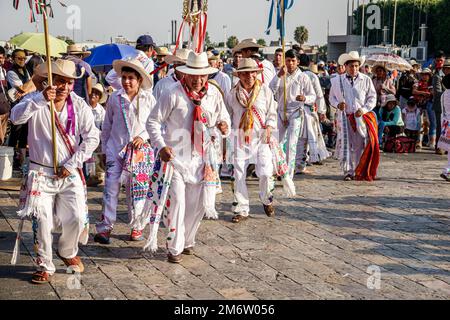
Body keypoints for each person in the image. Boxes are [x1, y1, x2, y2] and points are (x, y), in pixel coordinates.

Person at [10, 59, 99, 284]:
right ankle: (45, 263)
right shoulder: (35, 98)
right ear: (50, 82)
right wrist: (40, 99)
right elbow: (15, 117)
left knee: (77, 217)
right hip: (41, 172)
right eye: (60, 82)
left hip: (69, 171)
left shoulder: (78, 104)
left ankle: (68, 251)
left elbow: (92, 138)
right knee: (43, 221)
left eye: (69, 83)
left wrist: (72, 164)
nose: (64, 88)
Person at [146, 52, 230, 263]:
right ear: (185, 73)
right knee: (178, 201)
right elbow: (153, 122)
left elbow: (223, 117)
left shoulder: (214, 95)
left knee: (197, 205)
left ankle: (187, 240)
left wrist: (224, 127)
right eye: (193, 74)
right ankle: (174, 247)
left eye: (202, 75)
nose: (198, 79)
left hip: (203, 159)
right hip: (176, 158)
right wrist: (162, 146)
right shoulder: (172, 93)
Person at [94, 59, 156, 244]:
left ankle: (137, 226)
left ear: (139, 80)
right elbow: (107, 126)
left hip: (139, 152)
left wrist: (143, 137)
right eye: (124, 78)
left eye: (131, 78)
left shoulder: (148, 99)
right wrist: (104, 151)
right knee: (111, 188)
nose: (127, 82)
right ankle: (105, 228)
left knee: (136, 190)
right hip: (116, 149)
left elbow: (155, 125)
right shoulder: (114, 98)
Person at [225, 58, 277, 223]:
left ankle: (266, 198)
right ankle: (241, 208)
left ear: (257, 73)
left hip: (261, 138)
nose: (249, 76)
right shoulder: (232, 94)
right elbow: (226, 116)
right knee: (238, 173)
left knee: (266, 172)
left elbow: (272, 113)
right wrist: (225, 129)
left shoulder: (265, 91)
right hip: (240, 138)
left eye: (252, 72)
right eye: (245, 73)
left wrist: (269, 127)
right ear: (239, 75)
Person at [329, 51, 379, 181]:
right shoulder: (337, 81)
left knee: (359, 144)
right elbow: (331, 98)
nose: (354, 68)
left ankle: (358, 169)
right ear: (345, 66)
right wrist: (337, 104)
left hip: (360, 117)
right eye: (351, 66)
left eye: (356, 66)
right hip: (345, 117)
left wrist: (364, 109)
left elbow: (372, 98)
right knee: (346, 144)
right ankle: (347, 171)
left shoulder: (366, 80)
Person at [269, 49, 316, 177]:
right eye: (288, 60)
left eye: (293, 61)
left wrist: (305, 98)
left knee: (291, 144)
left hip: (295, 113)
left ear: (298, 62)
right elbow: (270, 90)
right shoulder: (280, 74)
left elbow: (313, 96)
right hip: (280, 112)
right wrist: (279, 75)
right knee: (275, 143)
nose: (290, 63)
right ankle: (277, 169)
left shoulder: (303, 77)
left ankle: (288, 175)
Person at [6, 49, 36, 169]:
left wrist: (28, 85)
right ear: (13, 59)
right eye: (19, 58)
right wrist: (33, 79)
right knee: (15, 132)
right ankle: (11, 159)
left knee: (24, 133)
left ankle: (22, 161)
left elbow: (29, 87)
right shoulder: (11, 72)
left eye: (24, 58)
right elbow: (22, 88)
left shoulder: (26, 71)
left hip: (25, 104)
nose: (22, 60)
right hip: (17, 107)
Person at [85, 83, 107, 186]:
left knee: (98, 156)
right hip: (86, 137)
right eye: (92, 92)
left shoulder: (101, 110)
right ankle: (89, 176)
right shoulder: (84, 106)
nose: (94, 95)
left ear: (99, 98)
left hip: (98, 138)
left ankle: (97, 176)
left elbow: (104, 125)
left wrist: (101, 136)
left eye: (97, 94)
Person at [413, 68, 436, 148]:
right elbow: (414, 91)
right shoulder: (418, 83)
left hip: (429, 105)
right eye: (423, 74)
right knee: (420, 123)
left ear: (429, 76)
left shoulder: (431, 84)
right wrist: (425, 93)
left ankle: (431, 141)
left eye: (426, 74)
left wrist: (426, 93)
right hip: (419, 105)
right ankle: (419, 142)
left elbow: (432, 93)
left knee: (430, 123)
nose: (424, 76)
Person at [433, 54, 447, 155]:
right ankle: (439, 147)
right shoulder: (437, 76)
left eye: (441, 60)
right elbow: (437, 92)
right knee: (440, 126)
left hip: (448, 105)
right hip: (440, 105)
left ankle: (446, 146)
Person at [437, 74, 450, 181]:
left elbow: (443, 110)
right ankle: (447, 170)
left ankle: (447, 171)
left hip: (447, 122)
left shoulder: (444, 94)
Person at [0, 46, 9, 145]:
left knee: (2, 139)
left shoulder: (3, 71)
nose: (1, 60)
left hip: (5, 109)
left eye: (2, 57)